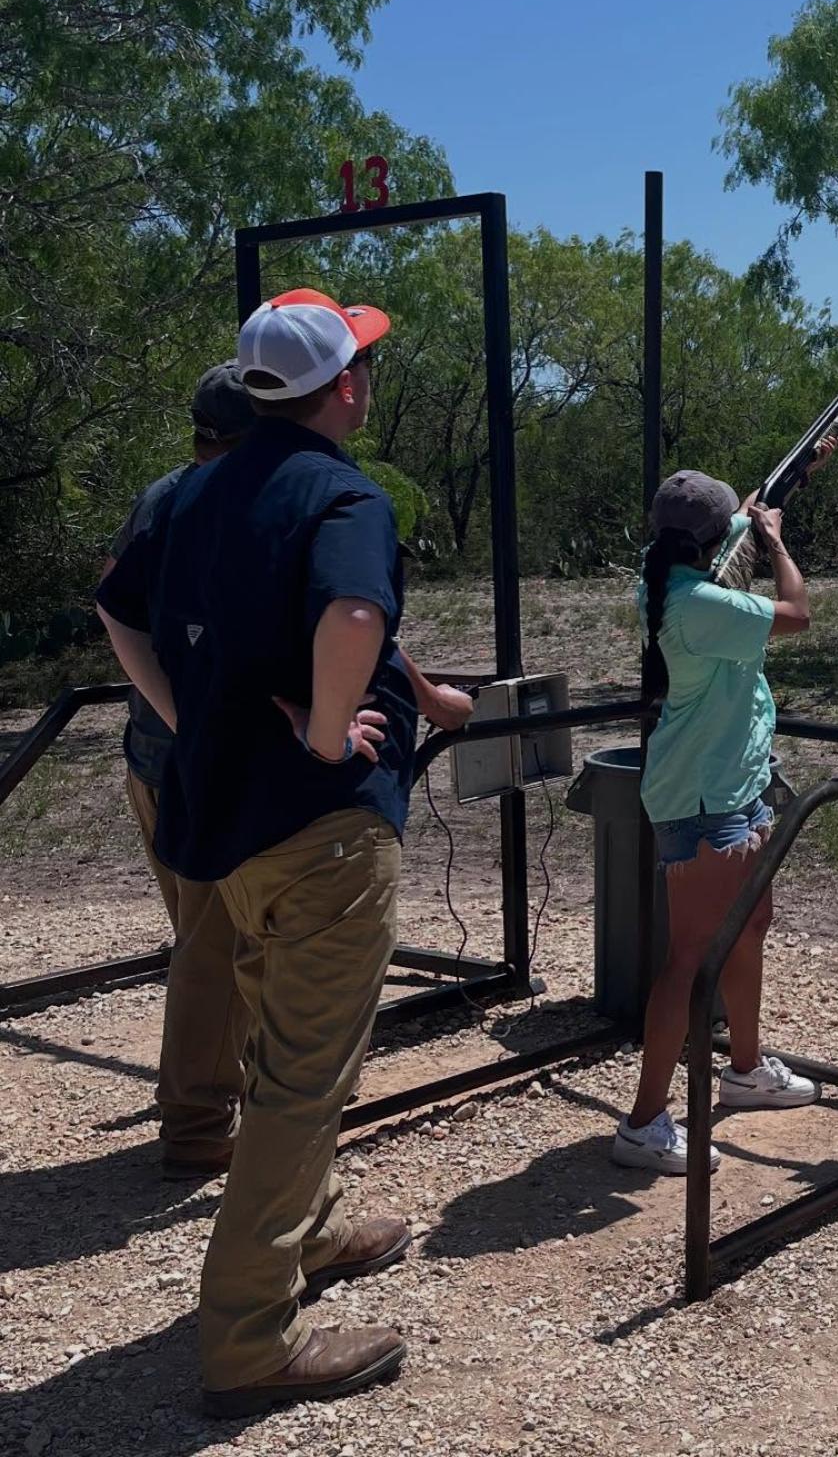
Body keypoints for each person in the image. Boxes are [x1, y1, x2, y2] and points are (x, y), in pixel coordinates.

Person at [97, 288, 466, 1415]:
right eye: (362, 364)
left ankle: (303, 1230)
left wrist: (188, 715)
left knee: (279, 1046)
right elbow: (355, 616)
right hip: (322, 834)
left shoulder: (192, 490)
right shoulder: (343, 493)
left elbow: (118, 612)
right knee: (305, 1078)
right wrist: (319, 731)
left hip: (227, 825)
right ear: (342, 386)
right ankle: (250, 1336)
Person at [613, 458, 834, 1176]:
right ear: (712, 545)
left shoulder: (670, 575)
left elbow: (737, 512)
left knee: (749, 926)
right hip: (707, 798)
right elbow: (799, 614)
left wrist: (786, 484)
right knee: (688, 961)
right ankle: (643, 1122)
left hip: (728, 786)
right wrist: (776, 544)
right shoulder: (704, 605)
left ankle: (742, 1068)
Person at [103, 363, 255, 1180]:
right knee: (215, 951)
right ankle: (200, 1126)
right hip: (199, 762)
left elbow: (113, 604)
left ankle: (229, 1101)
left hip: (152, 759)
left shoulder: (160, 497)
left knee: (208, 941)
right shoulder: (233, 500)